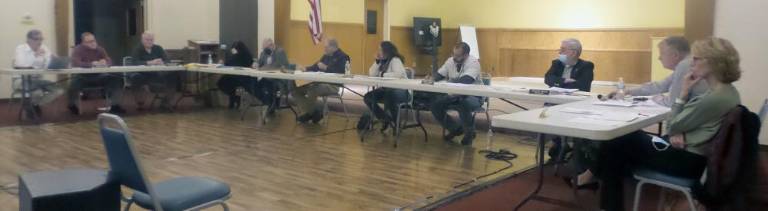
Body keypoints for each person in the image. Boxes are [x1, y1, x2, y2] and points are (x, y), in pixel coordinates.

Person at [588, 37, 742, 211]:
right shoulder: (727, 92)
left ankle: (600, 189)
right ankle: (603, 189)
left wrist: (683, 93)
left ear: (714, 63)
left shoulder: (714, 98)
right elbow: (692, 125)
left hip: (687, 161)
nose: (692, 62)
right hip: (692, 153)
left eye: (697, 59)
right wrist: (683, 132)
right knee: (620, 143)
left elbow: (672, 125)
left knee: (615, 143)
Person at [609, 36, 708, 106]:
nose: (659, 58)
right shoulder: (685, 64)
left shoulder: (685, 65)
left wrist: (657, 98)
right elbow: (660, 86)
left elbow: (672, 103)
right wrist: (628, 91)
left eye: (662, 53)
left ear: (675, 55)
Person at [430, 42, 484, 145]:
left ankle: (469, 132)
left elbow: (466, 80)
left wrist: (450, 82)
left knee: (462, 103)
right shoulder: (450, 61)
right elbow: (440, 74)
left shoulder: (473, 62)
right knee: (435, 105)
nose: (454, 58)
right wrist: (432, 78)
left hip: (474, 96)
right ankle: (455, 128)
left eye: (458, 56)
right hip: (454, 94)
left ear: (466, 55)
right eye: (453, 54)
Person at [293, 38, 350, 123]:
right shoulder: (326, 55)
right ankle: (313, 112)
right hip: (320, 83)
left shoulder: (343, 57)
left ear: (333, 47)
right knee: (296, 91)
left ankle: (309, 113)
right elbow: (316, 67)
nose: (324, 49)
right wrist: (305, 68)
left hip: (333, 85)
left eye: (326, 47)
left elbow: (342, 73)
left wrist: (326, 68)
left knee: (313, 89)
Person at [67, 32, 125, 115]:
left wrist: (105, 62)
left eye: (93, 40)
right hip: (83, 77)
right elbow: (76, 63)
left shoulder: (100, 49)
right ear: (83, 43)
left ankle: (115, 105)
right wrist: (92, 64)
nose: (93, 43)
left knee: (116, 79)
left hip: (99, 76)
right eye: (89, 41)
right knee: (72, 85)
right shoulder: (78, 50)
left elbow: (109, 61)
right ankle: (72, 105)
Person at [357, 41, 409, 131]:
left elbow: (398, 74)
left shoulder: (395, 60)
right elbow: (371, 74)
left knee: (390, 95)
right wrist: (377, 62)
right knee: (368, 97)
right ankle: (385, 118)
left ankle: (397, 124)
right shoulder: (382, 62)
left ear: (387, 51)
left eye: (380, 50)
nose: (378, 52)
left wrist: (382, 74)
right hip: (387, 90)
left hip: (401, 91)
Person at [12, 29, 64, 115]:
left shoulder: (44, 48)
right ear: (28, 39)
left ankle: (34, 104)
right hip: (21, 80)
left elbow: (47, 65)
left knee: (58, 90)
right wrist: (35, 55)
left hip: (37, 80)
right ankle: (32, 107)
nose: (39, 41)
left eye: (41, 39)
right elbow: (21, 65)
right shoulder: (21, 48)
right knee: (37, 92)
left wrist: (54, 61)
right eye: (36, 39)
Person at [128, 32, 178, 111]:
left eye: (151, 40)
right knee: (135, 78)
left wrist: (162, 62)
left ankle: (166, 102)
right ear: (142, 40)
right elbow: (135, 62)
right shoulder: (137, 49)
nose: (149, 42)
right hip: (142, 74)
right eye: (147, 40)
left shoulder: (158, 48)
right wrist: (149, 62)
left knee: (173, 76)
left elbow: (168, 60)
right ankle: (140, 103)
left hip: (156, 74)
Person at [252, 38, 290, 114]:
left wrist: (263, 68)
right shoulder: (264, 53)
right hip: (267, 78)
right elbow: (260, 63)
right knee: (255, 86)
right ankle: (267, 102)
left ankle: (271, 105)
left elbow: (278, 66)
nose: (264, 50)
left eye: (265, 48)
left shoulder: (280, 52)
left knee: (268, 86)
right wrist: (256, 64)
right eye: (263, 48)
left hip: (278, 79)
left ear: (272, 45)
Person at [216, 41, 255, 109]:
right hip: (236, 76)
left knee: (222, 83)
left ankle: (234, 99)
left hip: (242, 77)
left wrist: (223, 63)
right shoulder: (243, 54)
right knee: (222, 82)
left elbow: (231, 62)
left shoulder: (244, 55)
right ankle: (234, 98)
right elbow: (231, 62)